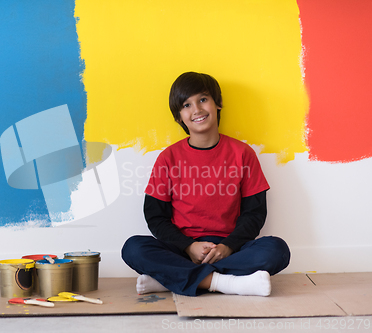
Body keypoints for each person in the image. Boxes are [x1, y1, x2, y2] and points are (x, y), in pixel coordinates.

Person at [121, 72, 290, 297]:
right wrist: (189, 247)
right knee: (133, 248)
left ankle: (171, 279)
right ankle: (224, 282)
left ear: (217, 104)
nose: (197, 110)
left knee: (277, 250)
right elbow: (155, 216)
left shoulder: (243, 154)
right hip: (182, 249)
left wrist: (227, 246)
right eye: (186, 105)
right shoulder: (168, 158)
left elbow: (255, 214)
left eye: (203, 100)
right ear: (179, 117)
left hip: (230, 248)